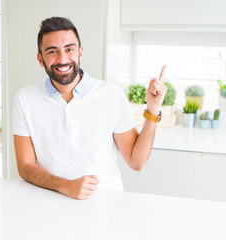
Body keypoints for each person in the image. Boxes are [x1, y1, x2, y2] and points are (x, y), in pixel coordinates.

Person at [13, 17, 167, 200]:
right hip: (49, 203)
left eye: (69, 49)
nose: (63, 59)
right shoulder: (25, 98)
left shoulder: (112, 95)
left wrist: (153, 110)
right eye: (52, 51)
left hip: (105, 205)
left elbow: (137, 162)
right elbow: (25, 166)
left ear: (80, 53)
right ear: (40, 59)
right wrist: (65, 186)